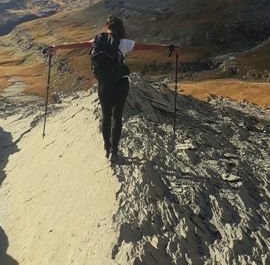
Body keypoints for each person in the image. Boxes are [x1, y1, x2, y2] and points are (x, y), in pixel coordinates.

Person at [43, 15, 178, 160]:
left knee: (106, 116)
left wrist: (56, 47)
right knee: (117, 116)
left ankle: (107, 148)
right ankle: (114, 151)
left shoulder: (97, 40)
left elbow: (78, 45)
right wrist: (169, 48)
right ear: (121, 28)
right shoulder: (125, 43)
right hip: (121, 83)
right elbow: (148, 47)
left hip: (104, 84)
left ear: (106, 26)